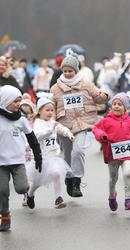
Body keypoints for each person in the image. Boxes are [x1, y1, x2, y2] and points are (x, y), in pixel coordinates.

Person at [50, 49, 110, 197]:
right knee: (68, 155)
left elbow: (97, 96)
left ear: (76, 70)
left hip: (83, 123)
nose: (68, 73)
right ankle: (69, 179)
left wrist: (105, 96)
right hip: (64, 125)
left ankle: (76, 180)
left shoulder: (85, 84)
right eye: (65, 70)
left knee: (78, 151)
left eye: (71, 70)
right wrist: (49, 121)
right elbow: (51, 107)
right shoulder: (55, 88)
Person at [0, 85, 42, 231]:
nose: (18, 104)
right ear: (5, 101)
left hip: (18, 162)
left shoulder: (21, 119)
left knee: (21, 187)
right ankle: (5, 216)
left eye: (19, 101)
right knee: (2, 191)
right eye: (15, 101)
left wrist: (38, 157)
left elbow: (32, 139)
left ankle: (28, 193)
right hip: (1, 163)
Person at [26, 96, 75, 209]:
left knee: (57, 173)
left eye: (52, 110)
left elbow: (61, 128)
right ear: (39, 111)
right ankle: (30, 194)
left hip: (53, 157)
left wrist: (69, 134)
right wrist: (50, 130)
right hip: (41, 158)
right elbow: (38, 136)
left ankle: (58, 199)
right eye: (47, 110)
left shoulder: (53, 122)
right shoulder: (37, 123)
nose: (50, 112)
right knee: (37, 182)